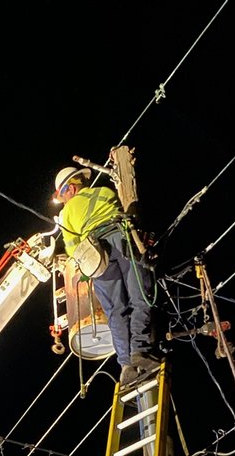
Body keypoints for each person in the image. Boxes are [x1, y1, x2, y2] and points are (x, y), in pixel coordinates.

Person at [53, 165, 163, 388]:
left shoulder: (66, 213)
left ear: (70, 189)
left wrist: (87, 267)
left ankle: (126, 365)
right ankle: (140, 351)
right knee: (140, 295)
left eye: (62, 194)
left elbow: (73, 248)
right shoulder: (105, 192)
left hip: (96, 254)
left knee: (115, 309)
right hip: (123, 241)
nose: (63, 200)